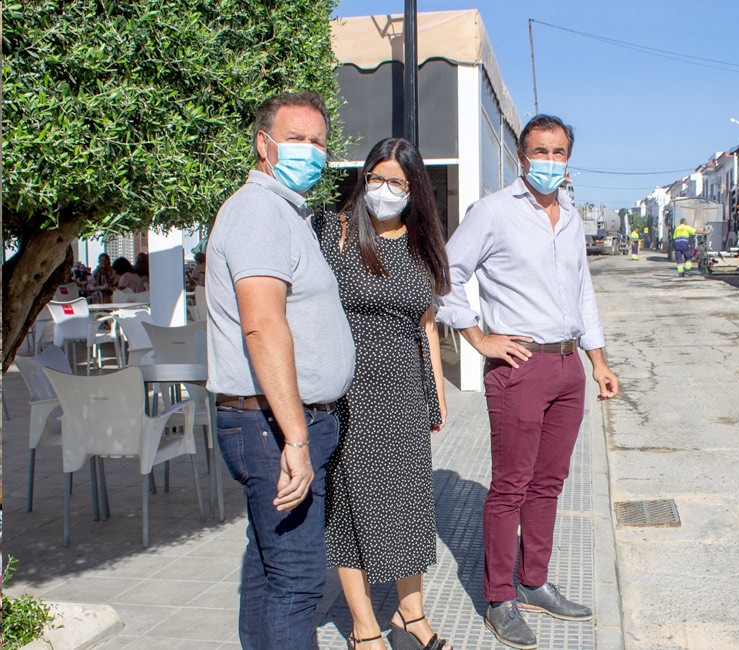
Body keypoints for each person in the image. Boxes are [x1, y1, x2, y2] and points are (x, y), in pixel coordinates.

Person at [437, 114, 620, 650]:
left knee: (549, 483)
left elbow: (583, 293)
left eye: (558, 152)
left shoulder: (571, 218)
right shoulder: (493, 213)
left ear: (568, 159)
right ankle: (500, 598)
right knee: (511, 488)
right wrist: (479, 339)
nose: (548, 161)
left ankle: (535, 581)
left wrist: (598, 361)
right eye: (539, 151)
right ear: (521, 157)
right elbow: (448, 273)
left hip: (567, 368)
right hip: (520, 367)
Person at [205, 90, 355, 650]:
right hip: (274, 426)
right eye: (296, 139)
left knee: (268, 571)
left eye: (318, 141)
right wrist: (295, 436)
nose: (310, 152)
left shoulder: (286, 213)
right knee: (296, 581)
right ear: (263, 143)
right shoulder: (259, 211)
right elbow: (262, 326)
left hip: (287, 424)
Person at [313, 137, 452, 650]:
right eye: (376, 177)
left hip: (405, 394)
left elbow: (428, 326)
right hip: (349, 393)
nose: (385, 189)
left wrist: (435, 397)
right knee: (353, 508)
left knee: (409, 505)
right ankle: (364, 625)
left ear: (414, 188)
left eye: (397, 180)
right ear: (363, 178)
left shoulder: (421, 245)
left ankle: (410, 616)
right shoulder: (336, 231)